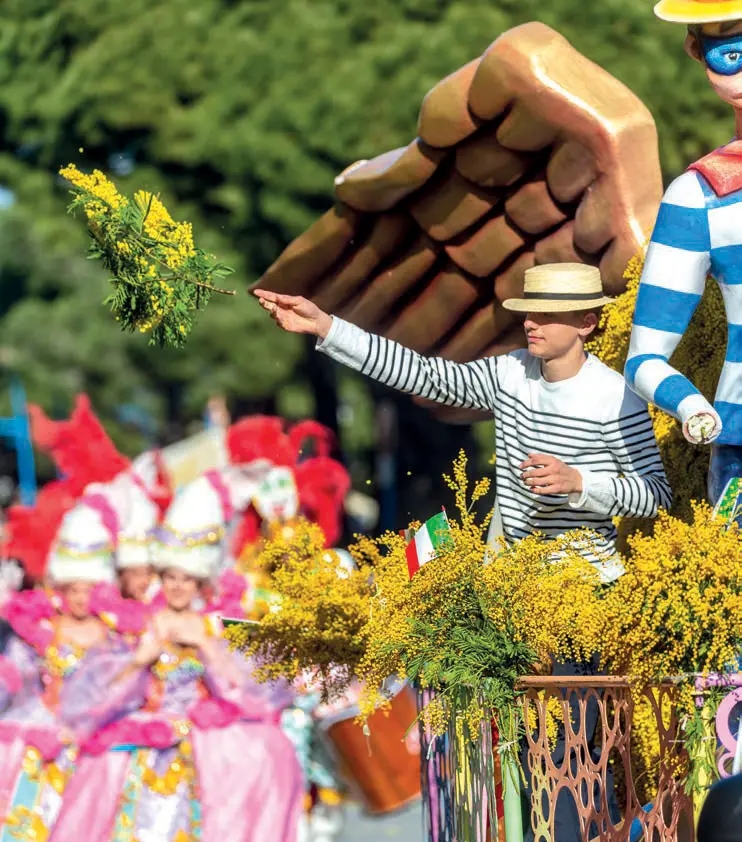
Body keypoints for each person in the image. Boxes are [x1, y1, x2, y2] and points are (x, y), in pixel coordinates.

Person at [255, 262, 672, 580]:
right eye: (529, 312)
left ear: (587, 323)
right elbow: (424, 374)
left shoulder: (618, 397)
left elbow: (655, 495)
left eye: (546, 314)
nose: (529, 322)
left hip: (586, 589)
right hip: (509, 585)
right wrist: (327, 327)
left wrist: (580, 482)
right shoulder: (508, 372)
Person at [48, 470, 303, 842]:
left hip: (204, 744)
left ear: (199, 581)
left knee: (266, 752)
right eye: (171, 578)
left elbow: (249, 694)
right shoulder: (139, 625)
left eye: (186, 579)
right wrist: (140, 659)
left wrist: (207, 647)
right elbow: (99, 696)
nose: (178, 586)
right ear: (161, 578)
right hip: (145, 740)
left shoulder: (215, 626)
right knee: (105, 775)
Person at [626, 0, 742, 512]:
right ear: (697, 50)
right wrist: (691, 403)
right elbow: (644, 358)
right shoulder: (698, 197)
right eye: (733, 50)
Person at [0, 503, 124, 840]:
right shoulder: (44, 629)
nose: (81, 599)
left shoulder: (111, 634)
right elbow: (13, 672)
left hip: (90, 735)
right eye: (74, 590)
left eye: (88, 590)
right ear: (63, 588)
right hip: (44, 728)